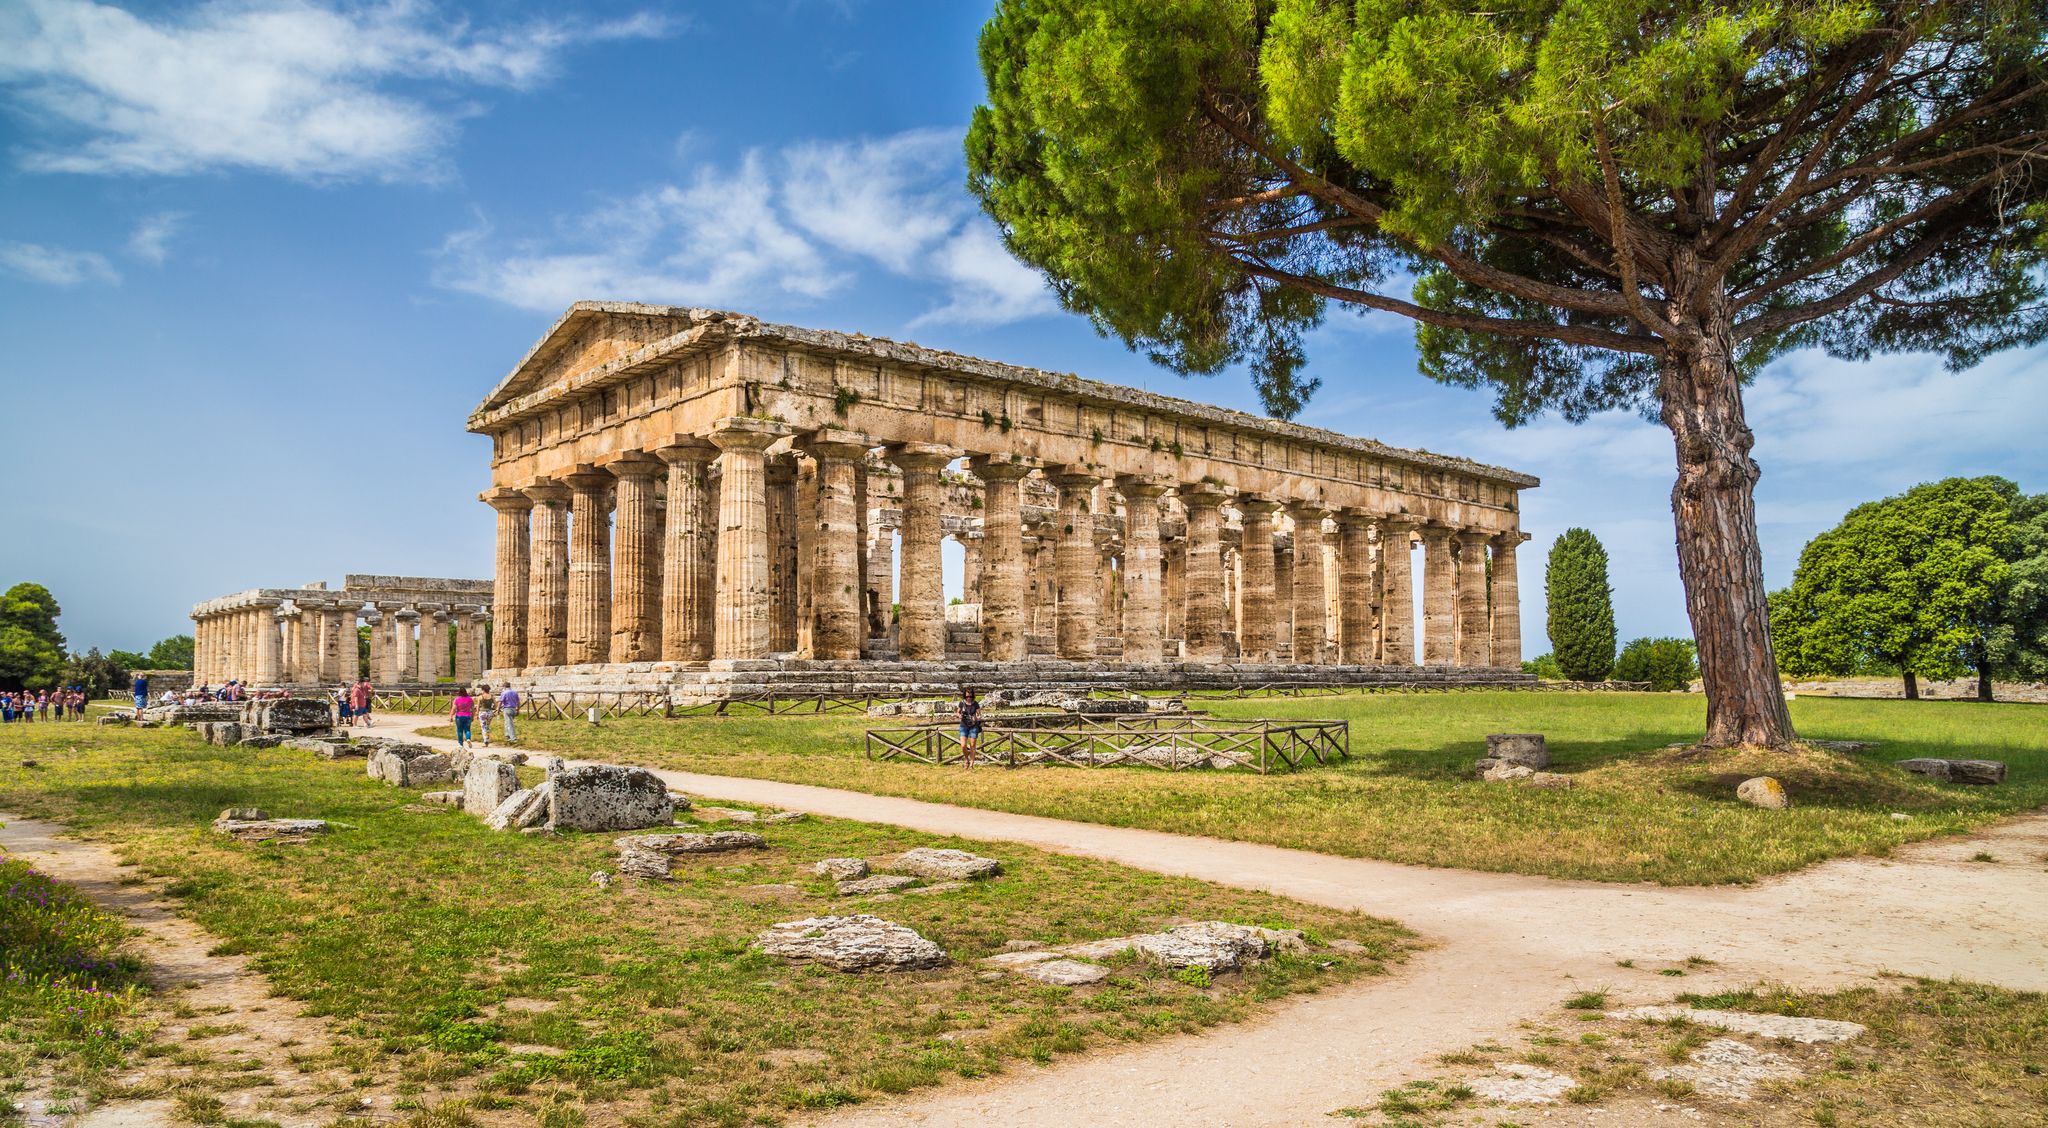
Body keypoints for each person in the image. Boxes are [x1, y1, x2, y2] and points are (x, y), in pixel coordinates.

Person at [957, 687, 984, 768]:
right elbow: (957, 712)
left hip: (973, 726)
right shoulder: (961, 703)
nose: (969, 698)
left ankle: (971, 764)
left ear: (973, 696)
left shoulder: (976, 704)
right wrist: (959, 715)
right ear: (964, 696)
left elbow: (979, 715)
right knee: (963, 745)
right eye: (967, 696)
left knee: (972, 745)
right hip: (963, 725)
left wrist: (976, 718)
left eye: (970, 696)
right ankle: (967, 759)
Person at [449, 686, 476, 751]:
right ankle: (468, 738)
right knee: (467, 730)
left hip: (459, 716)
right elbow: (472, 709)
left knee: (459, 730)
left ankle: (460, 744)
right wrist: (472, 716)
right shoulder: (470, 699)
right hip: (467, 716)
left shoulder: (457, 699)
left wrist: (451, 716)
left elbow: (454, 708)